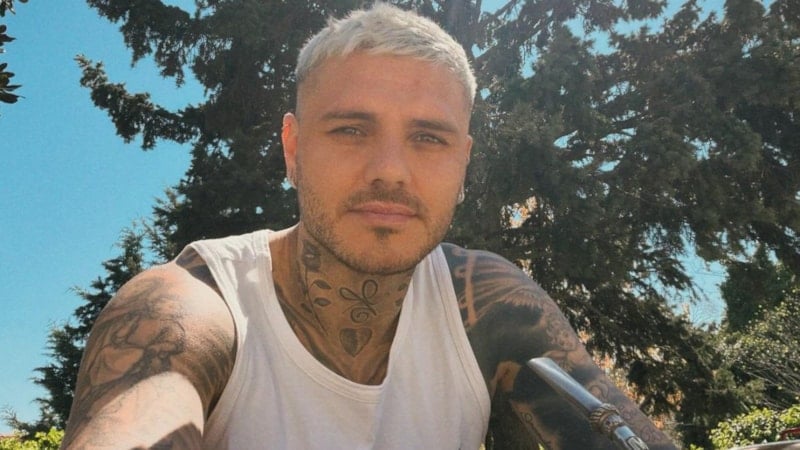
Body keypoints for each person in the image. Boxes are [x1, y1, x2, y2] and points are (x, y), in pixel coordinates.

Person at [61, 3, 678, 449]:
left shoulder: (488, 304)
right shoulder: (189, 306)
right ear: (294, 148)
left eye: (428, 138)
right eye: (351, 129)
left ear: (463, 162)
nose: (390, 171)